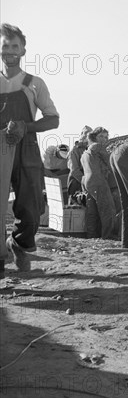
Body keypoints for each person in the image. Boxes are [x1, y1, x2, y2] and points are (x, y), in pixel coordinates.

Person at [0, 23, 59, 275]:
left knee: (31, 207)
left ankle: (19, 244)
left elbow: (53, 118)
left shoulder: (34, 83)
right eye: (5, 45)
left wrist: (26, 126)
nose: (10, 50)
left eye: (15, 46)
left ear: (23, 50)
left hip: (27, 147)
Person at [81, 127, 118, 239]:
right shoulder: (98, 146)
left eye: (106, 137)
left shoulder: (86, 152)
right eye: (101, 136)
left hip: (87, 182)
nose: (104, 139)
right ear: (94, 137)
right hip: (99, 180)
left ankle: (92, 235)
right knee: (108, 209)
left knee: (92, 211)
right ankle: (109, 235)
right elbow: (110, 161)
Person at [67, 125, 92, 203]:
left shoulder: (90, 149)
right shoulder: (74, 151)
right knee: (77, 208)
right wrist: (86, 182)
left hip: (88, 182)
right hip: (76, 183)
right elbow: (74, 170)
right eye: (86, 135)